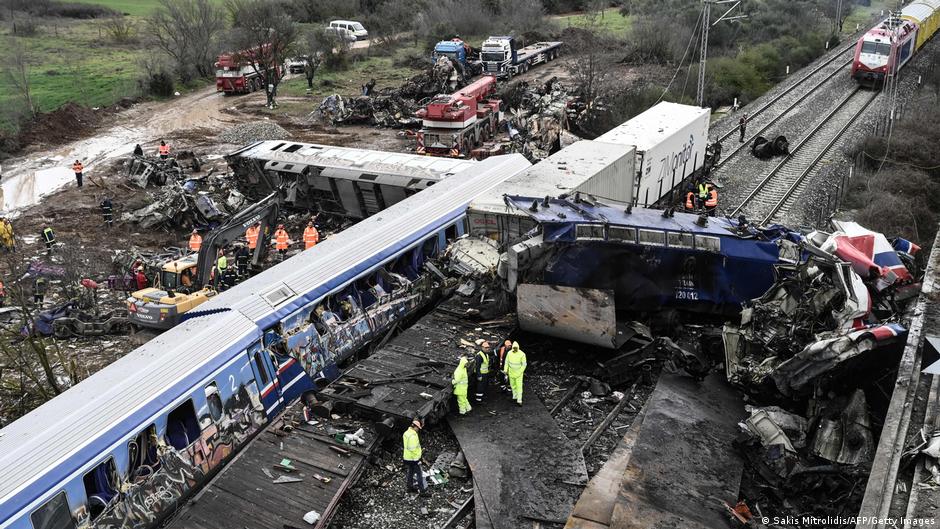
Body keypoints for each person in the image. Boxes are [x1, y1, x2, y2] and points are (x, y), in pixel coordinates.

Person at [402, 418, 428, 496]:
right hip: (413, 458)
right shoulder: (413, 435)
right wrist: (418, 459)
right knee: (419, 474)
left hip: (407, 457)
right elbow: (413, 449)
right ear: (415, 427)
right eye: (418, 428)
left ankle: (409, 487)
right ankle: (422, 492)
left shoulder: (406, 433)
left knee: (410, 472)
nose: (418, 430)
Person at [503, 341, 527, 406]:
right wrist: (505, 370)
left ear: (518, 347)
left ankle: (519, 400)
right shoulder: (509, 353)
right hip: (511, 373)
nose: (515, 349)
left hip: (519, 374)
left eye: (516, 348)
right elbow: (506, 362)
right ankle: (515, 397)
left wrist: (520, 372)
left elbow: (524, 365)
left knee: (519, 387)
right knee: (513, 386)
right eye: (514, 348)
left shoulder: (522, 354)